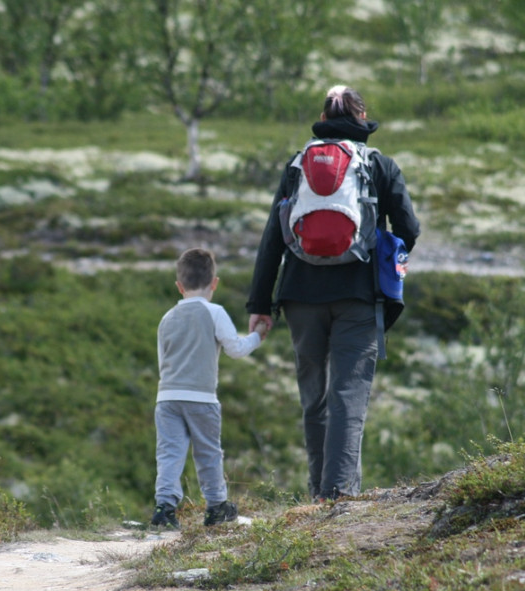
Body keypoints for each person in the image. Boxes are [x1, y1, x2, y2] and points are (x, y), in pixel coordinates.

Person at [246, 84, 421, 502]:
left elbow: (273, 236)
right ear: (363, 119)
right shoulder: (380, 165)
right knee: (348, 397)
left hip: (300, 296)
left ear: (322, 120)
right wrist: (385, 251)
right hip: (358, 297)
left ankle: (315, 493)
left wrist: (260, 304)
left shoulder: (297, 165)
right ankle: (338, 495)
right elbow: (410, 229)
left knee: (315, 398)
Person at [152, 247, 268, 528]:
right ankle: (216, 507)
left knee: (169, 452)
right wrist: (257, 337)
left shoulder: (166, 318)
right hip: (201, 398)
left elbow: (162, 361)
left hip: (166, 397)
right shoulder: (214, 312)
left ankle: (164, 510)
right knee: (208, 453)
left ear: (179, 286)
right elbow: (235, 349)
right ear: (214, 283)